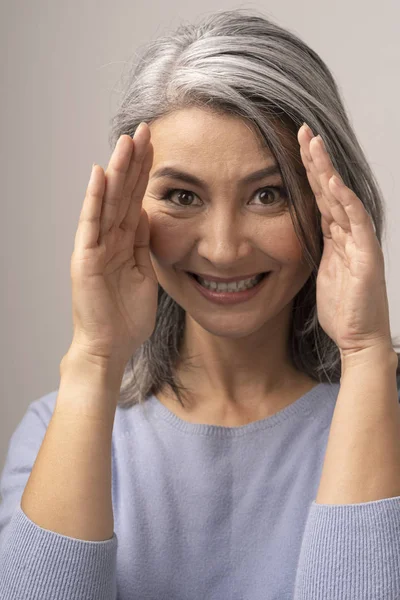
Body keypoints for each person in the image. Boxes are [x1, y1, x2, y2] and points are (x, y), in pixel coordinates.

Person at [1, 8, 400, 600]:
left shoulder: (385, 411)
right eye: (182, 196)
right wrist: (95, 357)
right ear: (131, 206)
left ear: (328, 200)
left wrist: (367, 357)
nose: (222, 249)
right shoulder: (57, 429)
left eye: (268, 194)